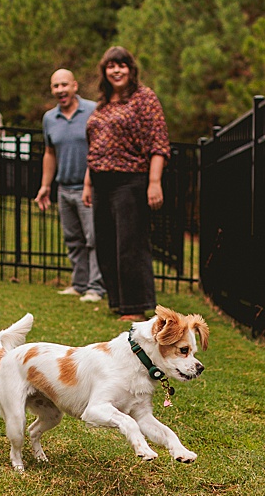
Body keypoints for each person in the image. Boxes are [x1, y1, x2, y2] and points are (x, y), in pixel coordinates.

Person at [82, 46, 170, 321]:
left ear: (131, 70)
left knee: (129, 244)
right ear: (104, 71)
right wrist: (88, 184)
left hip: (129, 180)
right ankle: (119, 302)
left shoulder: (144, 98)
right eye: (111, 66)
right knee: (106, 244)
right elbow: (94, 147)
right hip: (100, 181)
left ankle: (135, 307)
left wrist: (154, 181)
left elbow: (158, 142)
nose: (116, 70)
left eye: (121, 65)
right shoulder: (103, 104)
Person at [35, 68, 106, 303]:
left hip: (89, 189)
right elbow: (49, 152)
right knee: (73, 240)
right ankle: (79, 284)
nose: (60, 90)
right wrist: (45, 186)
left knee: (93, 239)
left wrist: (89, 183)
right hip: (63, 189)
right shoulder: (49, 118)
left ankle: (96, 288)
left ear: (75, 86)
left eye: (64, 85)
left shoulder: (93, 110)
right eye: (56, 86)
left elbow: (98, 150)